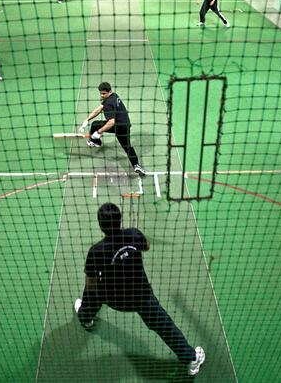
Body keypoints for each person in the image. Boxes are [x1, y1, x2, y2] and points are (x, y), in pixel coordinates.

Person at [75, 202, 206, 376]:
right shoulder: (133, 234)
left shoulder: (96, 251)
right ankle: (191, 359)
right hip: (141, 297)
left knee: (93, 291)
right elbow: (147, 246)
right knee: (164, 325)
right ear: (120, 220)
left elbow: (91, 285)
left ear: (100, 225)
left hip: (113, 298)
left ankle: (85, 317)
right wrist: (133, 238)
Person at [79, 82, 146, 176]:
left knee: (97, 126)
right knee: (127, 147)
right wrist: (87, 119)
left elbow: (111, 122)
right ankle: (136, 165)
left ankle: (96, 141)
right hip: (126, 125)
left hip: (118, 127)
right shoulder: (114, 96)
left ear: (109, 92)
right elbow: (99, 108)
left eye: (104, 93)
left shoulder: (108, 104)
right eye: (101, 93)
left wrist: (99, 132)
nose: (102, 95)